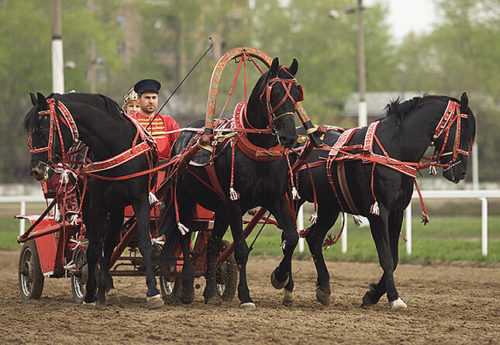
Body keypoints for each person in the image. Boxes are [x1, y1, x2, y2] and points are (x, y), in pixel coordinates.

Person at [130, 79, 180, 160]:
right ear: (138, 100)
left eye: (154, 97)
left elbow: (180, 146)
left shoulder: (169, 121)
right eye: (147, 98)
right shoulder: (131, 121)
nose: (151, 101)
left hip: (166, 170)